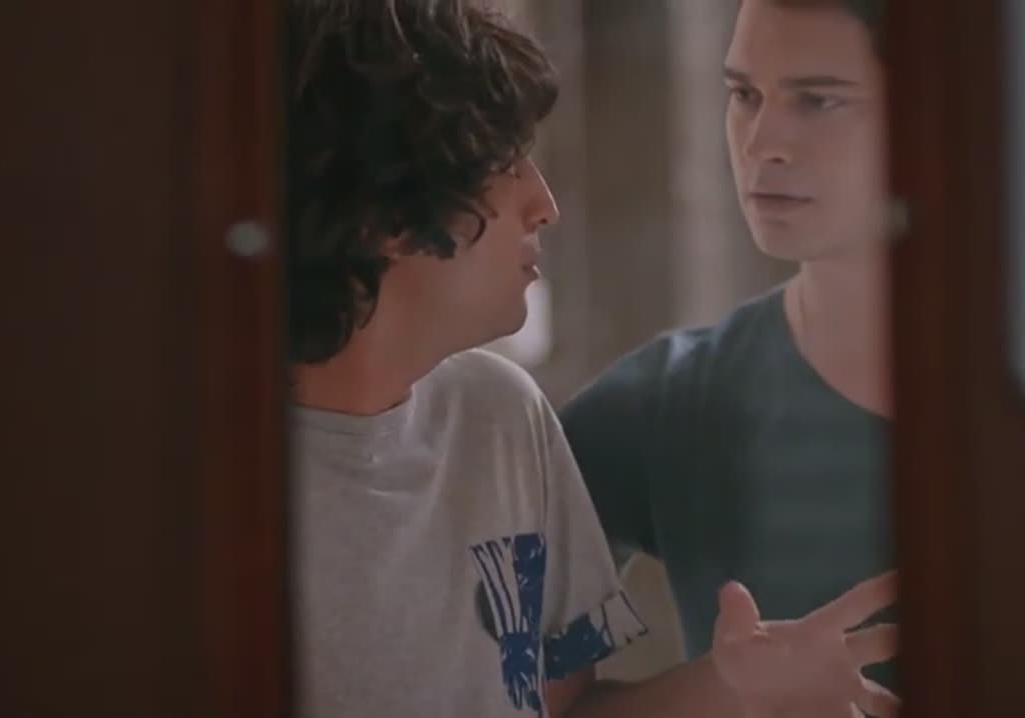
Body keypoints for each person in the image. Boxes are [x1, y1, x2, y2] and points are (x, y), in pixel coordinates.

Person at [287, 1, 896, 716]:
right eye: (501, 162)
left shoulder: (504, 418)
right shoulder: (212, 485)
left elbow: (563, 707)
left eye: (818, 100)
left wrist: (732, 688)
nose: (545, 203)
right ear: (384, 208)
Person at [561, 0, 900, 695]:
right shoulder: (667, 404)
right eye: (744, 95)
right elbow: (498, 693)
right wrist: (725, 692)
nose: (761, 143)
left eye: (819, 100)